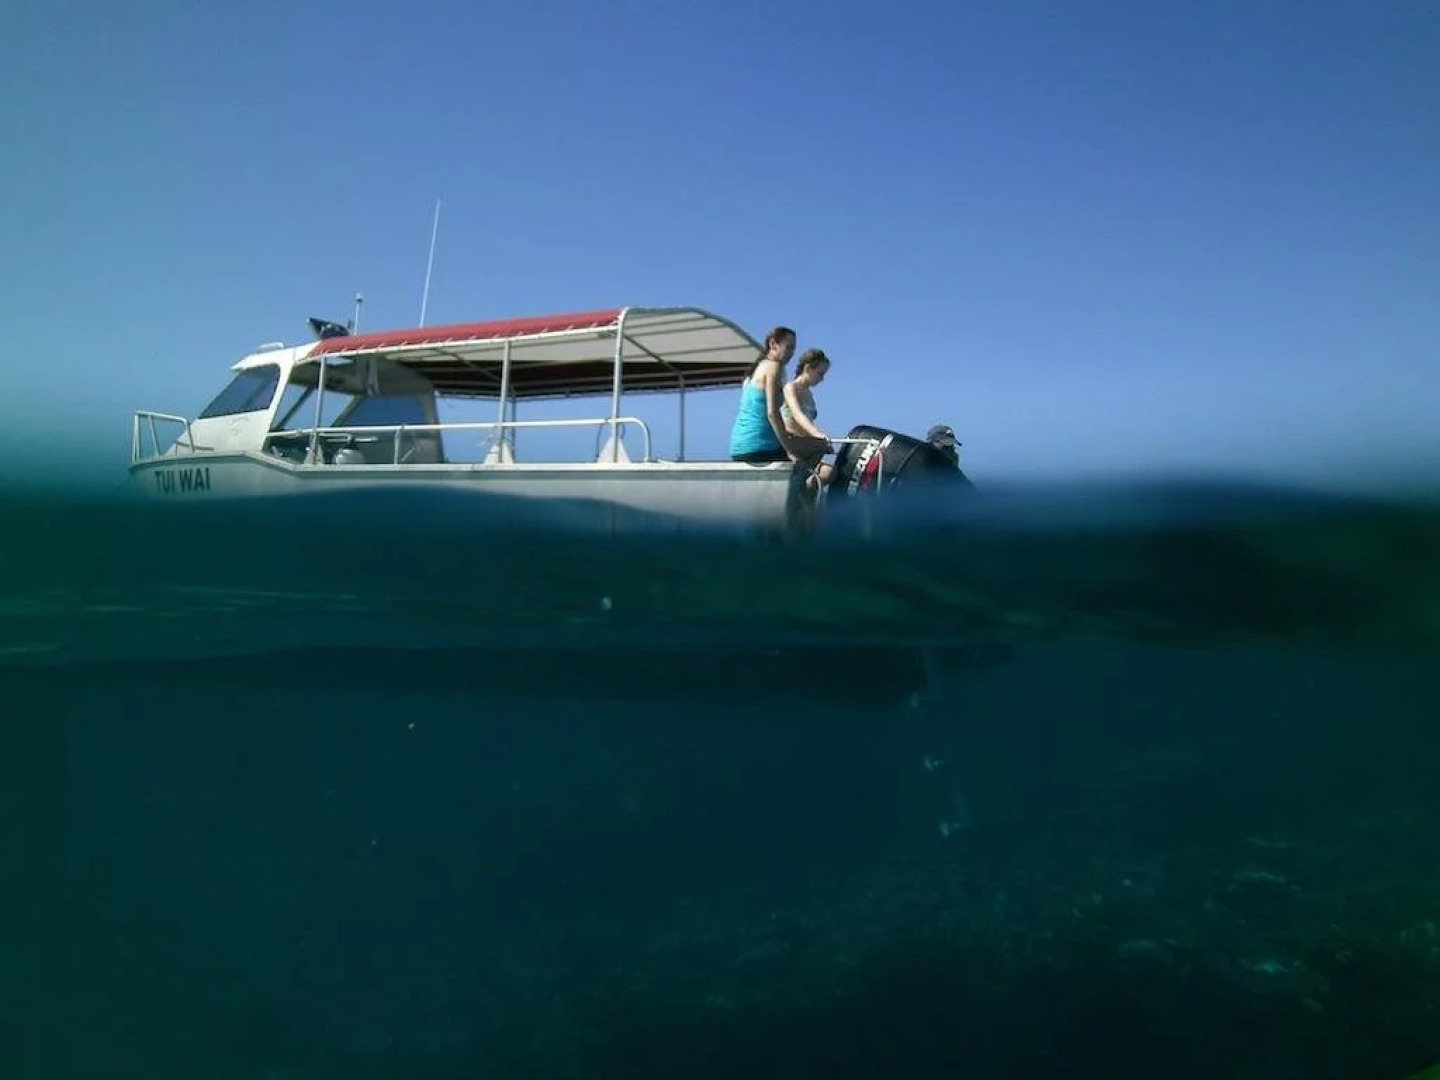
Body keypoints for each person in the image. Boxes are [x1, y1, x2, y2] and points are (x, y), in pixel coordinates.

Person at [729, 325, 800, 463]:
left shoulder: (754, 371)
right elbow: (772, 413)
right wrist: (789, 451)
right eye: (789, 348)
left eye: (794, 349)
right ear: (773, 344)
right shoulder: (773, 367)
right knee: (817, 449)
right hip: (760, 447)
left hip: (738, 447)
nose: (791, 353)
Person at [781, 348, 835, 496]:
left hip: (807, 445)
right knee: (822, 446)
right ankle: (801, 494)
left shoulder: (809, 394)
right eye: (820, 373)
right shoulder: (790, 388)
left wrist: (820, 437)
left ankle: (806, 492)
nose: (822, 379)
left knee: (829, 472)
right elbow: (797, 415)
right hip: (791, 444)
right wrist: (818, 435)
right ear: (808, 368)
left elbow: (808, 422)